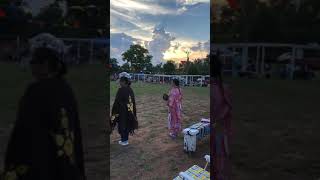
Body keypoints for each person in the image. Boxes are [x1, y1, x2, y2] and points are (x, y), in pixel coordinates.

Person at [2, 45, 86, 180]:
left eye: (33, 62)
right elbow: (74, 127)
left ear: (45, 64)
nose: (31, 67)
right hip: (63, 159)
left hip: (41, 161)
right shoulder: (66, 89)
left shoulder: (36, 91)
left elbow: (24, 129)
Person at [211, 51, 232, 180]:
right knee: (220, 165)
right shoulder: (225, 89)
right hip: (220, 132)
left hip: (216, 133)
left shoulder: (216, 89)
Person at [111, 75, 138, 146]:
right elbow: (132, 102)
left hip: (122, 111)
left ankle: (124, 140)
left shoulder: (121, 90)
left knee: (122, 125)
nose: (119, 83)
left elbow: (117, 102)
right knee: (127, 125)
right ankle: (125, 139)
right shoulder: (130, 89)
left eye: (120, 81)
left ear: (124, 82)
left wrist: (115, 111)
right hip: (129, 111)